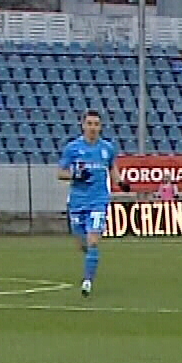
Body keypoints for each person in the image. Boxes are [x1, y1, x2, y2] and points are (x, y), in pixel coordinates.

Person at [57, 109, 119, 296]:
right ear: (83, 125)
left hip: (98, 201)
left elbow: (113, 169)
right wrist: (76, 175)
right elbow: (60, 173)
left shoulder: (107, 148)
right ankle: (90, 259)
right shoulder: (73, 148)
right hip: (77, 202)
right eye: (89, 124)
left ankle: (87, 281)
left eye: (96, 124)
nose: (93, 128)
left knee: (93, 241)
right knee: (81, 244)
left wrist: (121, 182)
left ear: (100, 127)